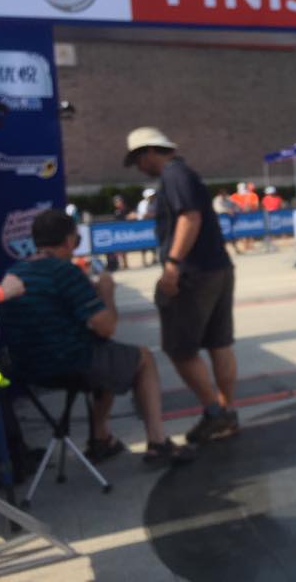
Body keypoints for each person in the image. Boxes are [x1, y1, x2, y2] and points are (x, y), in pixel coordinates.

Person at [0, 210, 192, 465]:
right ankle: (157, 442)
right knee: (142, 358)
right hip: (70, 363)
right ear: (69, 241)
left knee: (108, 354)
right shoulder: (65, 272)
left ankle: (102, 438)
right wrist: (107, 292)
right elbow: (106, 326)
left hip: (25, 368)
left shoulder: (14, 273)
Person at [124, 127, 239, 443]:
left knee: (179, 348)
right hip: (217, 268)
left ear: (149, 152)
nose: (139, 168)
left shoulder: (174, 175)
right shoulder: (185, 173)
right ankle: (227, 411)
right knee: (219, 343)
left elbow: (190, 217)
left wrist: (172, 265)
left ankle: (216, 413)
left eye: (138, 160)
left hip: (192, 274)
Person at [213, 188, 243, 255]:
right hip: (221, 220)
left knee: (232, 235)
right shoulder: (217, 200)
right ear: (220, 194)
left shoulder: (228, 199)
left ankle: (236, 249)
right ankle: (222, 251)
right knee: (222, 236)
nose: (224, 195)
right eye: (223, 194)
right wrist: (227, 211)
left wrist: (235, 210)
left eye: (225, 194)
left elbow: (235, 206)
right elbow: (217, 209)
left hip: (229, 220)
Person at [108, 195, 129, 271]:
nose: (118, 203)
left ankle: (125, 264)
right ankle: (121, 264)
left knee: (124, 249)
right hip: (119, 232)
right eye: (116, 202)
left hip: (126, 231)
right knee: (119, 249)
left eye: (119, 201)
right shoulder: (116, 212)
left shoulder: (126, 209)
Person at [137, 188, 158, 266]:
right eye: (150, 196)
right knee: (143, 244)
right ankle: (144, 260)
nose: (152, 197)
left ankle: (154, 258)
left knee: (154, 243)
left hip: (153, 226)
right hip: (144, 227)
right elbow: (143, 215)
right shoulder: (142, 204)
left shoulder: (156, 203)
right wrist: (151, 215)